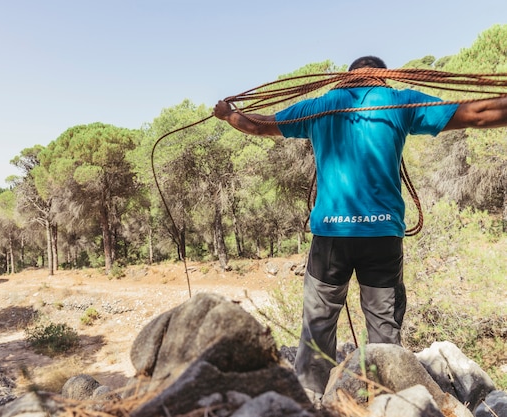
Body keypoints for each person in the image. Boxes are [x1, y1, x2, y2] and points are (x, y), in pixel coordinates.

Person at [213, 56, 507, 399]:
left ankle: (309, 394)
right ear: (381, 76)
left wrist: (228, 114)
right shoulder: (401, 101)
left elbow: (258, 125)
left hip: (331, 239)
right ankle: (388, 399)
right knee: (384, 330)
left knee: (317, 325)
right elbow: (478, 114)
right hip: (382, 238)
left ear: (347, 78)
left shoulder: (320, 107)